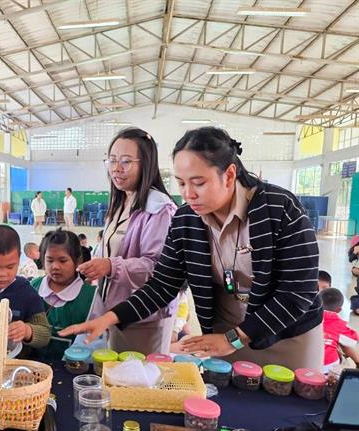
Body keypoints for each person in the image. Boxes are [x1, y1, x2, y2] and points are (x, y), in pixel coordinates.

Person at [62, 127, 324, 371]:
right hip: (224, 333)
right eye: (181, 183)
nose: (188, 194)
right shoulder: (186, 219)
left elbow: (296, 293)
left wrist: (236, 339)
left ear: (229, 175)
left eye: (198, 183)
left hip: (288, 335)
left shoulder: (280, 209)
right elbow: (163, 286)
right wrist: (109, 318)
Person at [75, 127, 178, 354]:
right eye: (111, 161)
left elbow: (158, 268)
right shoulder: (120, 202)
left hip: (144, 318)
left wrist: (111, 266)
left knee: (141, 380)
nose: (116, 169)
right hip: (115, 310)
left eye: (125, 161)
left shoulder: (159, 209)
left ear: (146, 164)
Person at [30, 229, 95, 359]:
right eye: (49, 260)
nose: (55, 266)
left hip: (74, 370)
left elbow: (95, 342)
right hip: (33, 369)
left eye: (63, 260)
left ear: (77, 261)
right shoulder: (32, 288)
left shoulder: (90, 297)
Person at [319, 288, 359, 372]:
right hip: (327, 366)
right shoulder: (339, 324)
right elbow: (353, 341)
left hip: (303, 361)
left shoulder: (307, 315)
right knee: (342, 343)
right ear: (339, 310)